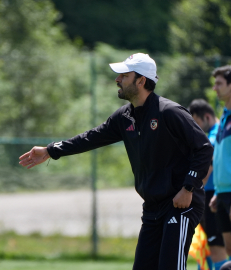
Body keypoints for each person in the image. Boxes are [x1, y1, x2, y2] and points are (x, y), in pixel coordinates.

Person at [19, 53, 213, 269]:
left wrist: (188, 188)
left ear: (140, 81)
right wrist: (50, 150)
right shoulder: (125, 117)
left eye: (124, 75)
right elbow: (90, 137)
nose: (117, 79)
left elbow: (204, 148)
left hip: (180, 204)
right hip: (152, 207)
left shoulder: (169, 112)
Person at [189, 99, 228, 270]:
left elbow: (207, 168)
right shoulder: (218, 132)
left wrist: (191, 189)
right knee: (207, 246)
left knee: (215, 246)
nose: (196, 127)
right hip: (212, 195)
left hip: (212, 194)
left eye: (196, 122)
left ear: (206, 116)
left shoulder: (213, 136)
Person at [209, 66, 231, 262]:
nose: (215, 88)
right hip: (223, 192)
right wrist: (217, 191)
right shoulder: (224, 116)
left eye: (219, 84)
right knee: (229, 251)